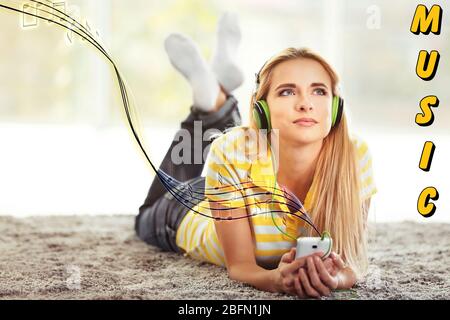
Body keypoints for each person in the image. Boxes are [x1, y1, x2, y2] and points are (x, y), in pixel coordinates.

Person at [135, 13, 377, 299]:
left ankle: (215, 97)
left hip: (232, 186)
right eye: (287, 92)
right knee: (144, 217)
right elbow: (240, 267)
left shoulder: (355, 155)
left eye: (319, 91)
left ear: (335, 108)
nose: (305, 104)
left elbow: (351, 263)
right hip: (184, 213)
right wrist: (276, 280)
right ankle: (214, 101)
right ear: (261, 109)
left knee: (237, 143)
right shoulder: (231, 151)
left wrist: (335, 278)